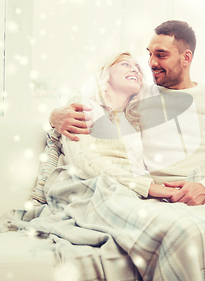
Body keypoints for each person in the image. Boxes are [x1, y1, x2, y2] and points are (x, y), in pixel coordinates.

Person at [49, 20, 205, 205]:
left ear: (186, 58)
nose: (151, 63)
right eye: (150, 54)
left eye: (161, 55)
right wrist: (54, 116)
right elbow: (102, 101)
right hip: (163, 195)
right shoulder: (141, 97)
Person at [59, 52, 179, 199]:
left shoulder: (135, 123)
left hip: (132, 193)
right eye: (125, 64)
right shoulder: (83, 105)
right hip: (91, 188)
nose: (135, 70)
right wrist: (147, 187)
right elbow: (83, 160)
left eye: (138, 68)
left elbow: (141, 167)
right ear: (107, 73)